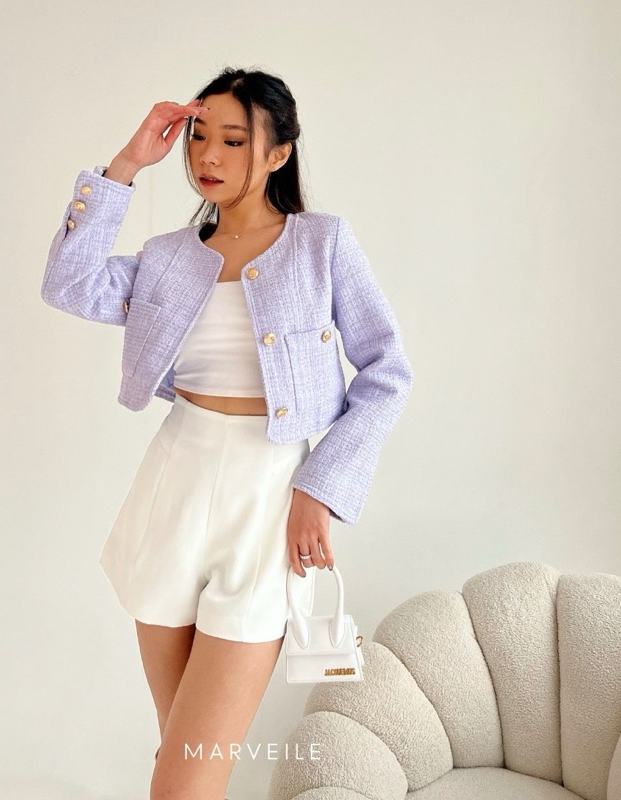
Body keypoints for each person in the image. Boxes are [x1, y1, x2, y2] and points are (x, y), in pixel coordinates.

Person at [40, 67, 413, 800]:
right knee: (181, 764)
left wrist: (320, 489)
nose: (207, 155)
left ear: (278, 152)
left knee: (184, 780)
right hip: (171, 489)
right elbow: (68, 283)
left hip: (269, 499)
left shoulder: (322, 245)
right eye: (199, 136)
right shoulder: (169, 256)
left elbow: (387, 371)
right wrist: (127, 164)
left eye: (234, 140)